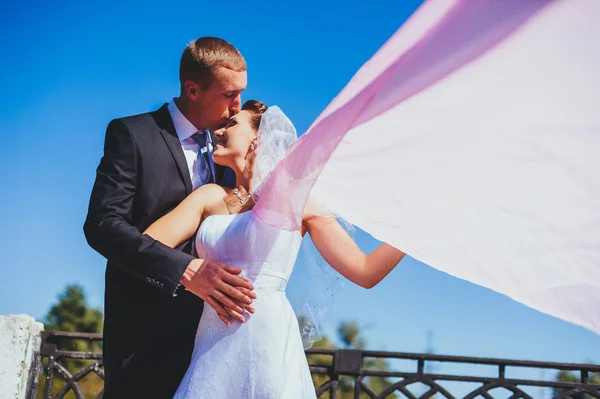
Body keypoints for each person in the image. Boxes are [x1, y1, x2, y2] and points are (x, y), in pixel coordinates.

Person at [144, 101, 406, 398]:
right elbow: (147, 247)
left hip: (269, 338)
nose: (217, 132)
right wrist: (193, 278)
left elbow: (365, 271)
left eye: (231, 125)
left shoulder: (296, 199)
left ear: (258, 138)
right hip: (210, 344)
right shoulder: (208, 197)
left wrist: (415, 231)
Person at [83, 37, 256, 399]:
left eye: (241, 93)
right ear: (193, 89)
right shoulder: (133, 134)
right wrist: (184, 270)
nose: (236, 106)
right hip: (144, 335)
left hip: (214, 341)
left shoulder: (232, 152)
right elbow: (103, 226)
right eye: (228, 95)